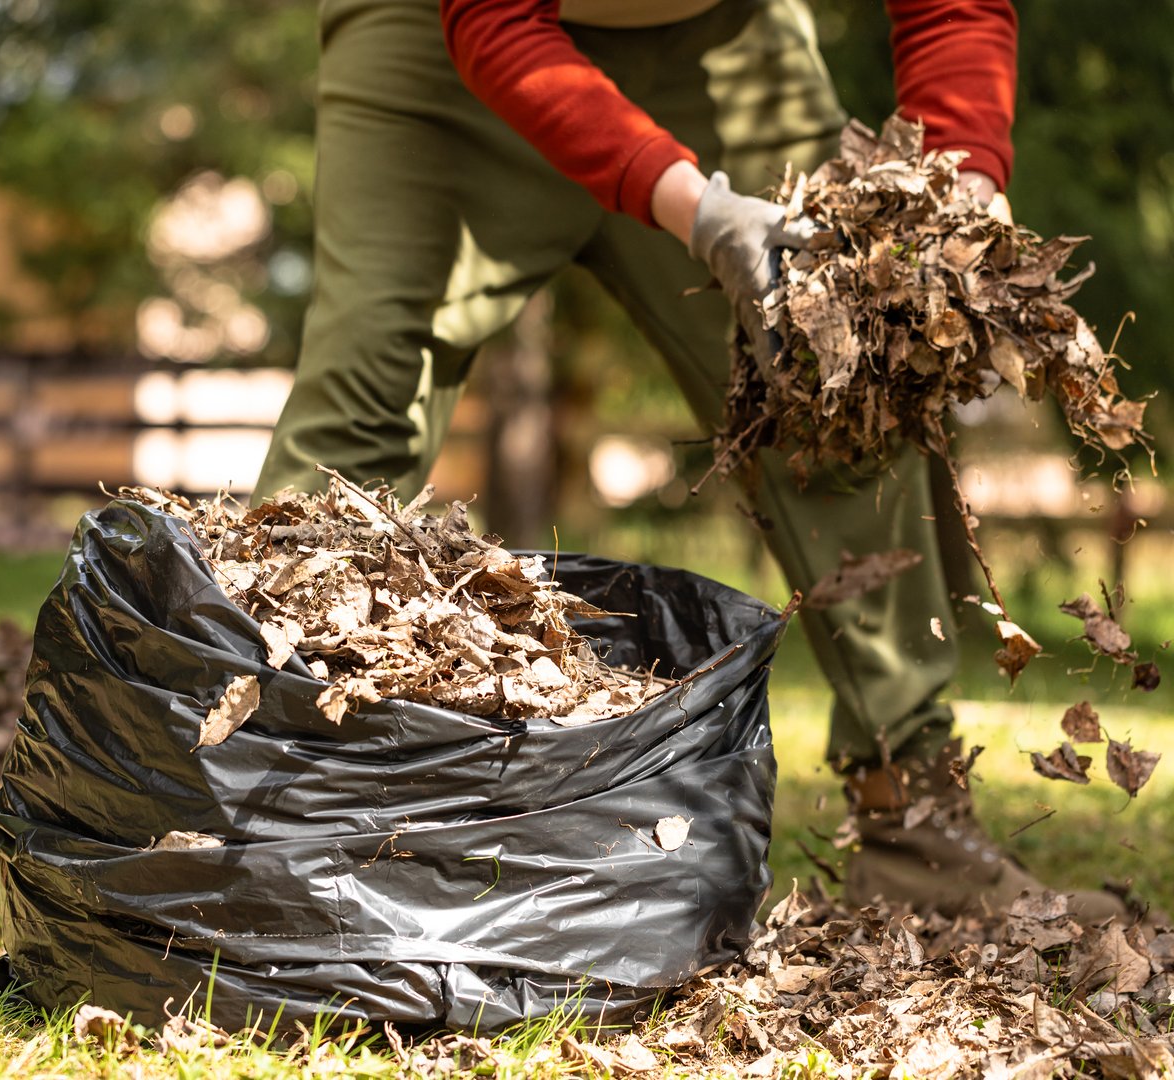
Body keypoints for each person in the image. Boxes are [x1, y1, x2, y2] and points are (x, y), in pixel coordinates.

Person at [255, 0, 1126, 922]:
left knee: (840, 394)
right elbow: (493, 18)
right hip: (436, 49)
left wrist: (965, 177)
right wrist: (697, 211)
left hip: (725, 53)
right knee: (356, 427)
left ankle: (913, 823)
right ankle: (270, 816)